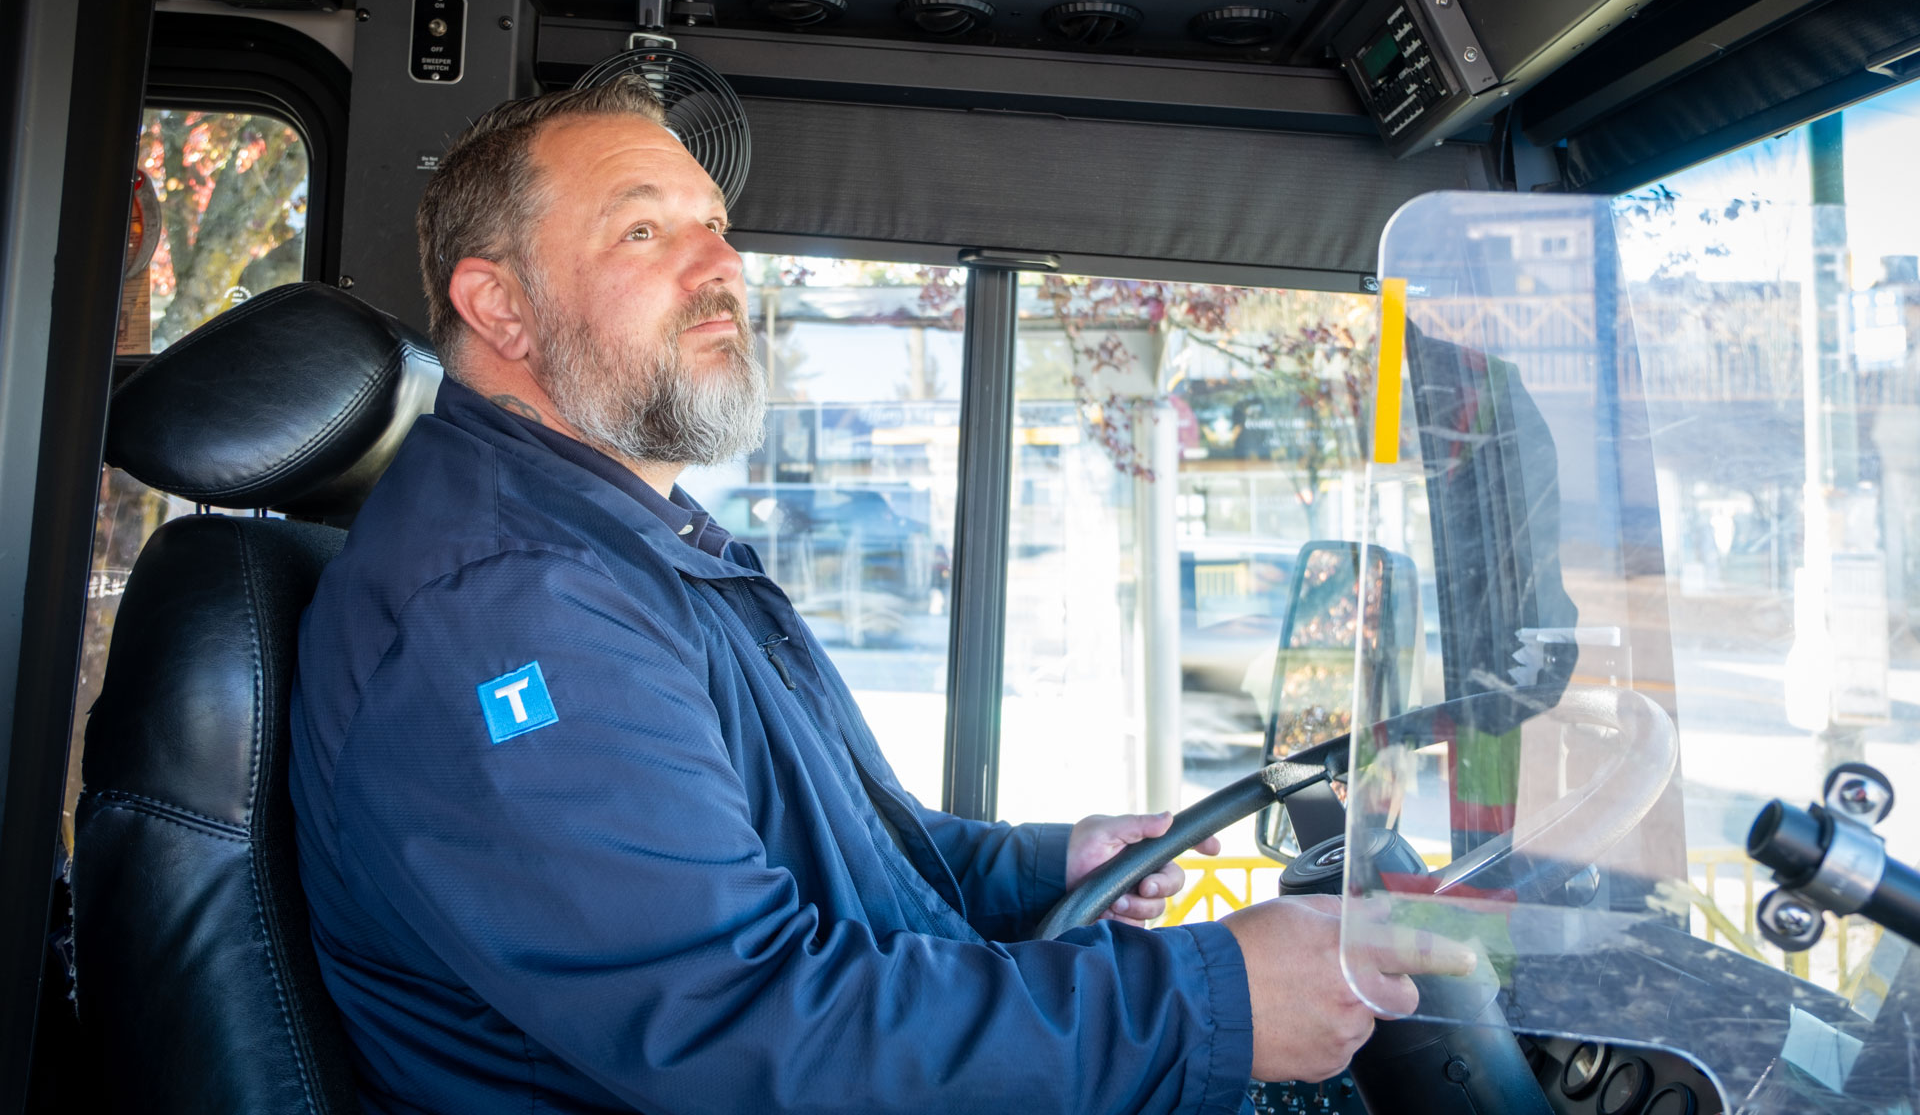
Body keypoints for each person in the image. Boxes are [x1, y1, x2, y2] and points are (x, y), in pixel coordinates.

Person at [288, 78, 1469, 1115]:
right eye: (645, 231)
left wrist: (1044, 865)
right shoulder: (508, 608)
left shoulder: (625, 543)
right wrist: (1207, 1004)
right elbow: (743, 1026)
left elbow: (824, 855)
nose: (722, 265)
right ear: (499, 307)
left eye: (716, 225)